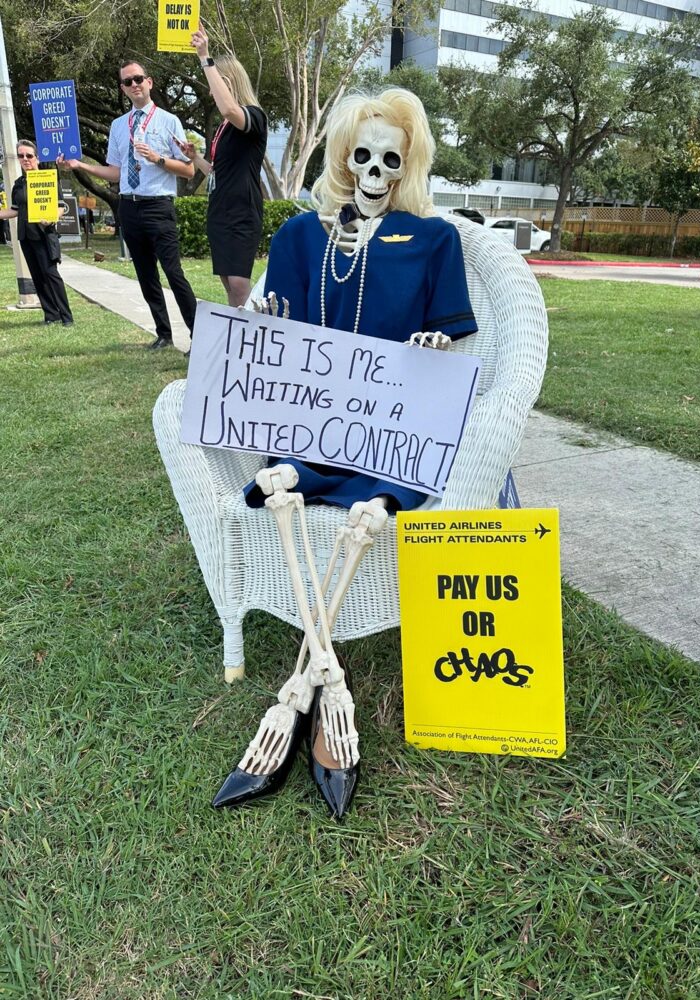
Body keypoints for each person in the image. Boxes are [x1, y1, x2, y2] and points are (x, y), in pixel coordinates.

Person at [212, 88, 478, 819]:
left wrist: (435, 340)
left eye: (390, 159)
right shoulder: (300, 237)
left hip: (389, 435)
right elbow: (280, 327)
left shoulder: (434, 240)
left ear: (407, 164)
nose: (374, 170)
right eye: (362, 156)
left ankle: (296, 697)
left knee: (370, 505)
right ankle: (328, 695)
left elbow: (448, 330)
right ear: (342, 158)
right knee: (285, 486)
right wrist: (265, 315)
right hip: (308, 430)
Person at [58, 61, 197, 350]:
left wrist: (157, 158)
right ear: (123, 88)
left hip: (158, 205)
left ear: (150, 82)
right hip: (129, 208)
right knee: (145, 275)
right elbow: (117, 171)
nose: (134, 85)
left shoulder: (168, 121)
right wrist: (80, 165)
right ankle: (164, 334)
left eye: (138, 79)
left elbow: (189, 170)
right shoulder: (118, 126)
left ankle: (199, 336)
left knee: (173, 273)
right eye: (127, 82)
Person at [176, 25, 267, 307]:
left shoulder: (253, 116)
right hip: (221, 209)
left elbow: (229, 108)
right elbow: (216, 172)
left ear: (229, 82)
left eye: (218, 84)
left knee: (240, 282)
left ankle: (249, 337)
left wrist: (205, 58)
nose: (213, 93)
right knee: (228, 281)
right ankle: (235, 337)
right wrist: (195, 158)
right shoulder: (224, 128)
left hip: (242, 210)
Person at [0, 140, 74, 326]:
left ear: (37, 158)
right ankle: (51, 316)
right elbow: (16, 209)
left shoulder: (48, 179)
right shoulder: (18, 184)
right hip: (25, 236)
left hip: (43, 234)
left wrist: (52, 218)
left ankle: (66, 317)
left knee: (51, 275)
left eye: (29, 156)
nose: (25, 159)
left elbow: (61, 206)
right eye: (21, 156)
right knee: (37, 276)